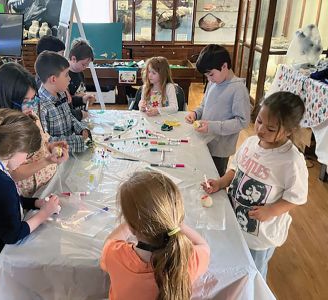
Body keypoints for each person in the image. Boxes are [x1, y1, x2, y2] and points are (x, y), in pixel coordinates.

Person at [202, 91, 308, 280]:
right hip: (236, 221)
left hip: (260, 236)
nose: (260, 130)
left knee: (253, 274)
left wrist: (272, 210)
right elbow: (235, 168)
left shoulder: (291, 160)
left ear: (289, 130)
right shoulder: (251, 142)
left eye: (271, 128)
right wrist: (220, 183)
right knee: (235, 263)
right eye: (259, 121)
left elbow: (296, 197)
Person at [0, 109, 61, 284]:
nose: (27, 158)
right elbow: (13, 234)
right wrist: (45, 213)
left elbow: (2, 202)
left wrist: (36, 202)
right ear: (14, 149)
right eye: (27, 154)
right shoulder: (2, 182)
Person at [101, 171, 210, 300]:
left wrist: (131, 220)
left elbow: (110, 242)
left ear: (131, 226)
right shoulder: (186, 259)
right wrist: (177, 224)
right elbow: (204, 246)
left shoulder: (114, 255)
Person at [0, 62, 69, 197]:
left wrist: (51, 147)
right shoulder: (3, 131)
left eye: (34, 99)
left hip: (48, 186)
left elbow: (41, 145)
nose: (32, 106)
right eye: (26, 101)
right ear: (7, 100)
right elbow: (14, 172)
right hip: (30, 196)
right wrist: (48, 161)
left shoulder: (31, 115)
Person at [185, 44, 251, 177]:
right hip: (205, 141)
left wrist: (212, 126)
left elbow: (242, 122)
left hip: (220, 149)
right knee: (202, 176)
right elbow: (204, 106)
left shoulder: (238, 89)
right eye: (207, 76)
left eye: (211, 74)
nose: (209, 79)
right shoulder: (213, 83)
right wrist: (195, 113)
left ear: (224, 66)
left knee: (215, 179)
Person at [35, 50, 91, 153]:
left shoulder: (61, 94)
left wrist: (81, 129)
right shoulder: (40, 107)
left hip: (70, 155)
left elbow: (70, 117)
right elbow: (46, 142)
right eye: (66, 75)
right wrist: (79, 140)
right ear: (53, 79)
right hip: (56, 162)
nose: (69, 79)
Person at [67, 38, 97, 120]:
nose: (85, 68)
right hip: (72, 117)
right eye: (83, 64)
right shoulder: (65, 76)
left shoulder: (80, 72)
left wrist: (86, 97)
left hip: (81, 115)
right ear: (73, 59)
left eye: (87, 65)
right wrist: (82, 99)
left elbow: (80, 91)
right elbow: (66, 101)